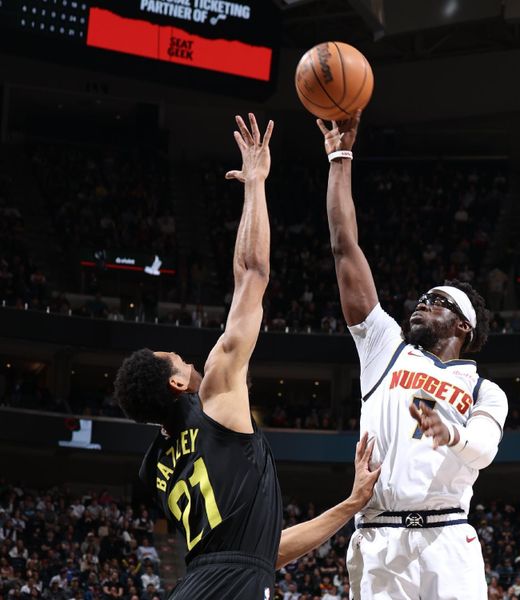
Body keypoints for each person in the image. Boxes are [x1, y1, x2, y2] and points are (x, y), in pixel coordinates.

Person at [113, 114, 381, 600]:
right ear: (177, 385)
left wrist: (350, 505)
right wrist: (255, 183)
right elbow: (252, 273)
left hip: (202, 583)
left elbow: (265, 553)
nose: (189, 360)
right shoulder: (215, 391)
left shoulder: (155, 468)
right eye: (178, 360)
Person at [317, 110, 508, 599]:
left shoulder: (486, 392)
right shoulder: (385, 348)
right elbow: (344, 248)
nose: (424, 302)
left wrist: (450, 432)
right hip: (379, 536)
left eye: (439, 301)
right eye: (424, 297)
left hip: (449, 538)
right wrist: (341, 157)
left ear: (463, 326)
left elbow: (483, 450)